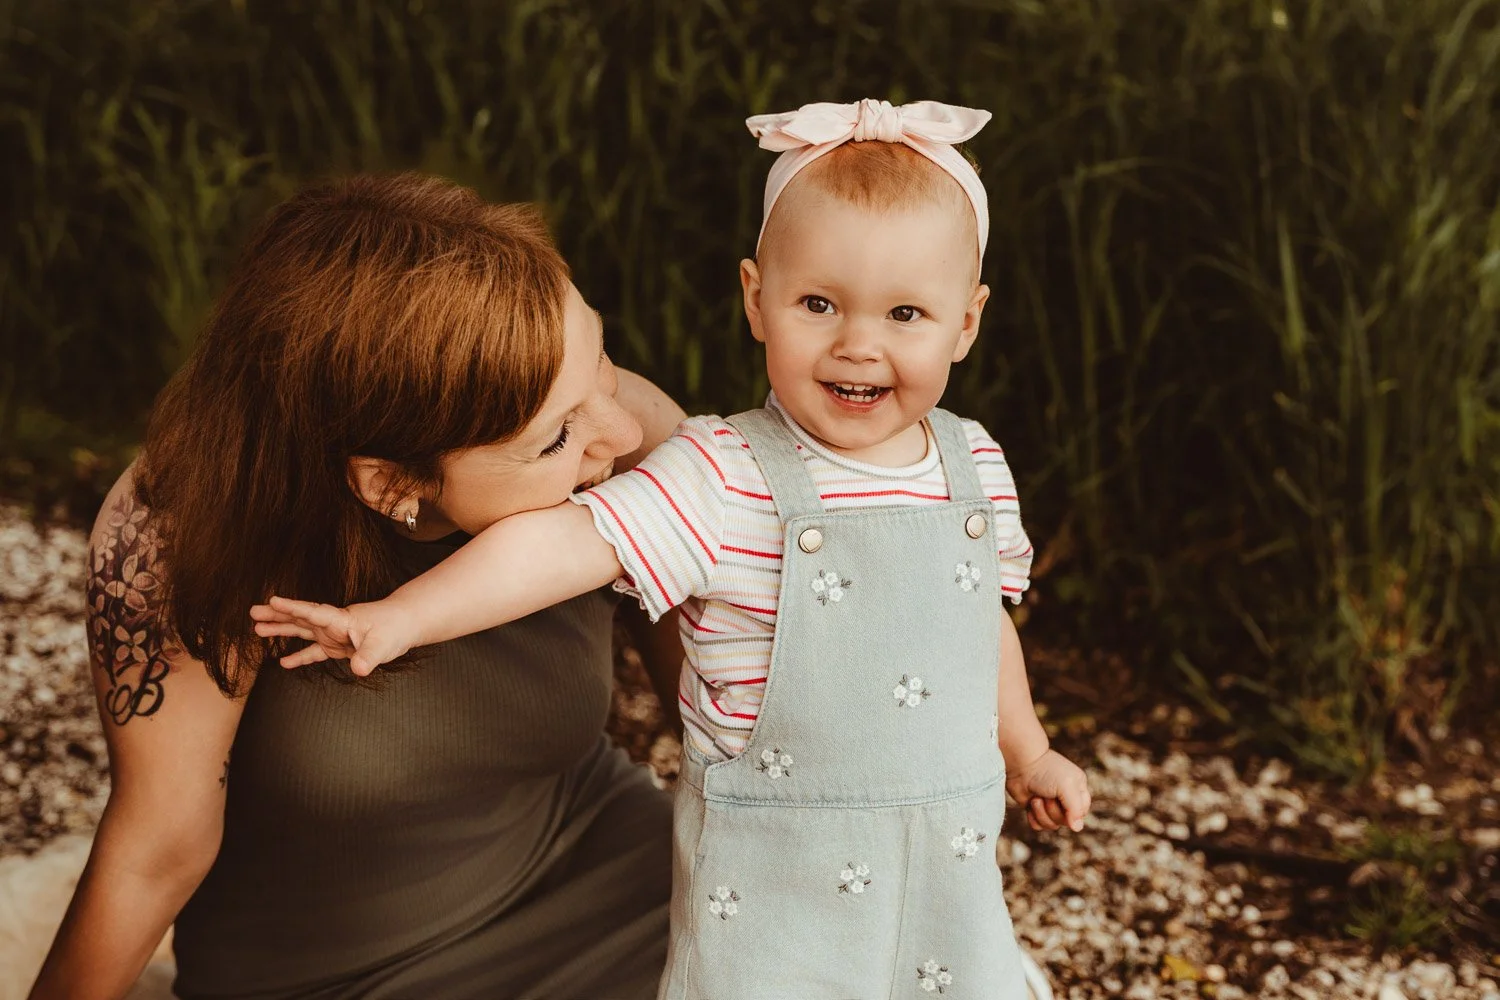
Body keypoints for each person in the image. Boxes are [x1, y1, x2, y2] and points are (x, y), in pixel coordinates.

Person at [255, 100, 1092, 999]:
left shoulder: (975, 468)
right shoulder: (721, 475)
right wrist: (401, 618)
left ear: (965, 323)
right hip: (777, 889)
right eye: (818, 303)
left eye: (905, 314)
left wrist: (1029, 750)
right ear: (755, 298)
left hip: (946, 871)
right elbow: (565, 543)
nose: (860, 344)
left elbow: (977, 629)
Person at [28, 173, 688, 1000]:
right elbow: (156, 846)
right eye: (556, 438)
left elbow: (722, 727)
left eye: (603, 361)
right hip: (337, 973)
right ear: (387, 482)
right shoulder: (178, 529)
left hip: (610, 873)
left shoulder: (627, 437)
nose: (620, 433)